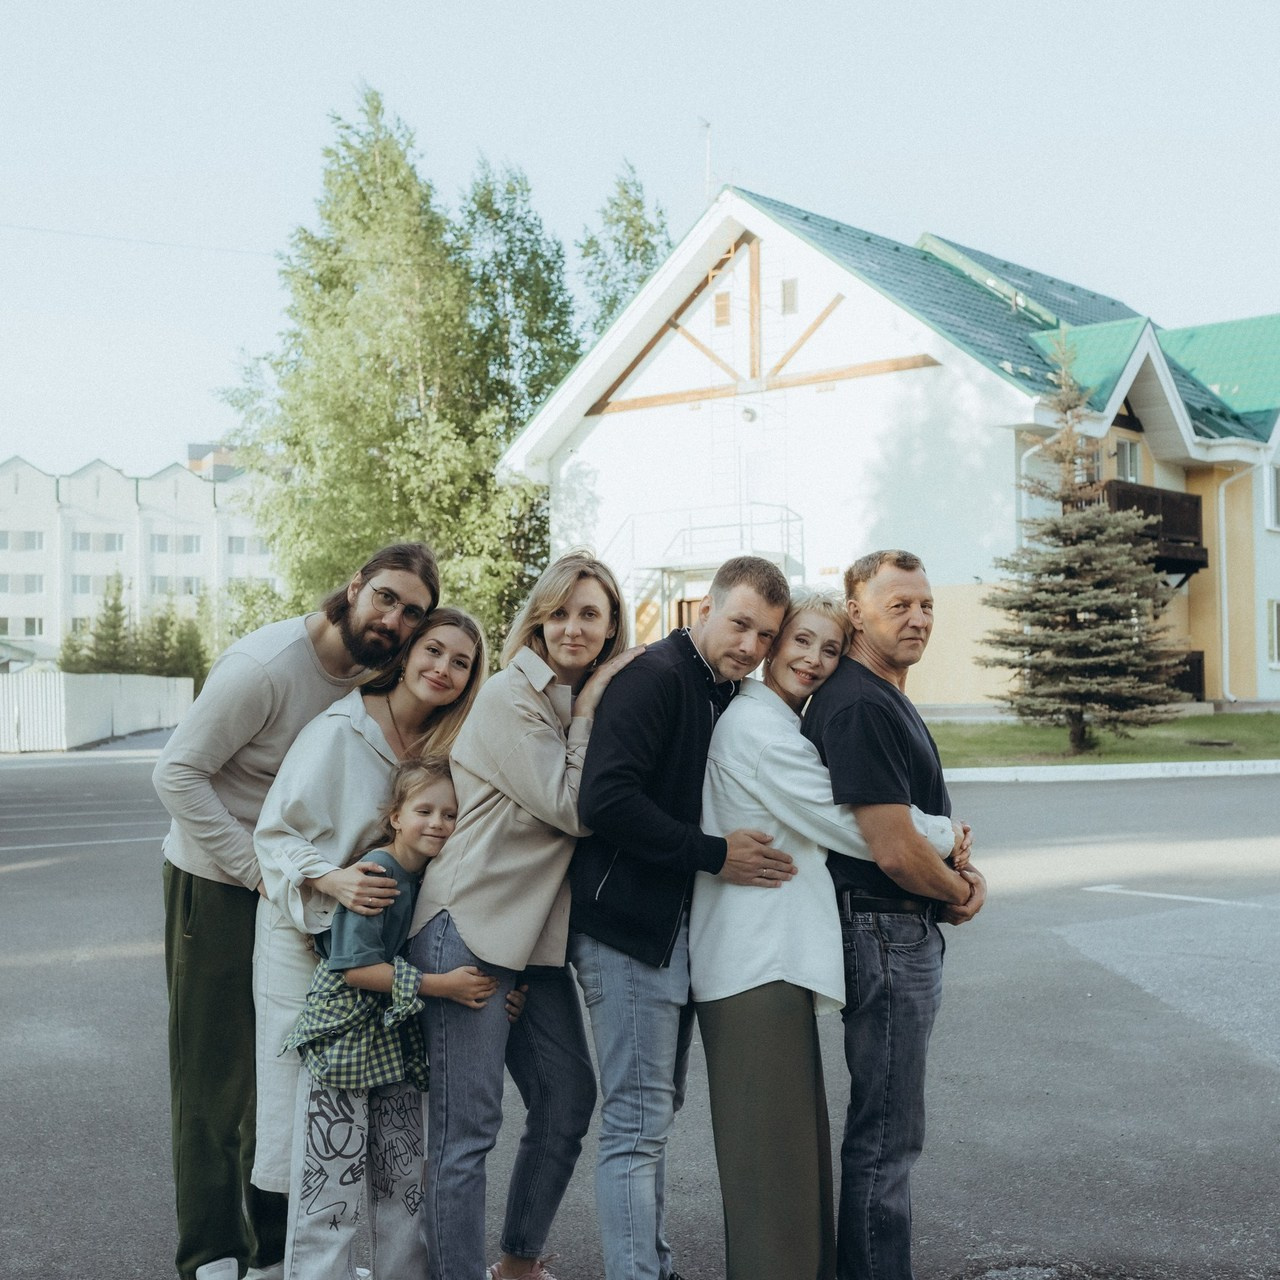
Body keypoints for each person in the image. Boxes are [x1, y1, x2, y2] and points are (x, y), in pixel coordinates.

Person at [154, 541, 441, 1280]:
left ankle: (275, 1253)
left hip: (299, 893)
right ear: (353, 587)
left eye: (413, 611)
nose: (396, 618)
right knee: (215, 1076)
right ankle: (210, 1253)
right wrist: (260, 873)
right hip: (220, 880)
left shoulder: (376, 673)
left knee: (286, 1068)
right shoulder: (265, 667)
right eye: (386, 598)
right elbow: (177, 774)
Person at [690, 590, 967, 1280]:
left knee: (792, 1170)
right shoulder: (758, 729)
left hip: (772, 963)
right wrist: (942, 835)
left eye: (830, 649)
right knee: (772, 1177)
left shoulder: (776, 721)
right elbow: (844, 820)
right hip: (753, 961)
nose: (813, 660)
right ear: (774, 645)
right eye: (800, 642)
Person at [407, 551, 640, 1280]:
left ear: (610, 628)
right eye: (560, 611)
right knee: (467, 1132)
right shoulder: (512, 695)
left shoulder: (572, 701)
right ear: (538, 618)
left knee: (568, 1097)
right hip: (466, 931)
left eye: (590, 614)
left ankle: (516, 1262)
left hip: (529, 945)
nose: (573, 627)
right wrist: (595, 703)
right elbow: (574, 808)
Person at [568, 554, 798, 1280]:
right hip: (626, 933)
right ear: (706, 606)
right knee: (636, 1126)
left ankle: (653, 1264)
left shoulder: (714, 688)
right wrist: (712, 854)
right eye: (740, 624)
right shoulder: (659, 678)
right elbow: (603, 801)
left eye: (765, 636)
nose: (751, 647)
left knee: (651, 1119)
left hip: (669, 936)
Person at [252, 607, 487, 1210]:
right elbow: (274, 836)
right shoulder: (340, 729)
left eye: (461, 662)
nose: (442, 668)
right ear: (406, 652)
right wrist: (334, 881)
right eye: (432, 650)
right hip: (305, 932)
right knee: (292, 1112)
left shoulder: (449, 750)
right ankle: (272, 1264)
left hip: (383, 948)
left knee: (367, 1137)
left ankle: (327, 1258)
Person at [802, 550, 987, 1280]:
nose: (918, 617)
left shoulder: (879, 693)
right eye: (898, 604)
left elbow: (916, 833)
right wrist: (959, 889)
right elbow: (891, 849)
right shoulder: (856, 703)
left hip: (898, 930)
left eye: (927, 604)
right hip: (882, 933)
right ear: (855, 611)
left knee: (889, 1131)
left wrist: (952, 876)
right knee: (885, 1136)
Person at [281, 757, 501, 1280]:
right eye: (424, 810)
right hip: (344, 1043)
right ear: (395, 815)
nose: (438, 823)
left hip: (396, 1045)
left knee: (402, 1182)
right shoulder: (377, 873)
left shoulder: (436, 877)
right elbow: (357, 970)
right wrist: (444, 986)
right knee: (329, 1184)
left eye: (450, 814)